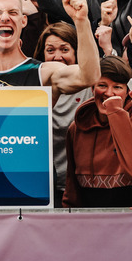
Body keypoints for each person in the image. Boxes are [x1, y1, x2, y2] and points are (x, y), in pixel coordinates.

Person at [63, 55, 132, 208]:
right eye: (102, 85)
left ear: (128, 92)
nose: (109, 93)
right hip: (93, 222)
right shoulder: (76, 129)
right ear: (92, 88)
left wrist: (116, 114)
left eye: (117, 87)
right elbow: (72, 187)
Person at [34, 22, 94, 205]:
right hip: (44, 185)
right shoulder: (33, 87)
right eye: (50, 50)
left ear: (76, 52)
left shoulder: (89, 88)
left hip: (83, 185)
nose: (57, 57)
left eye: (65, 49)